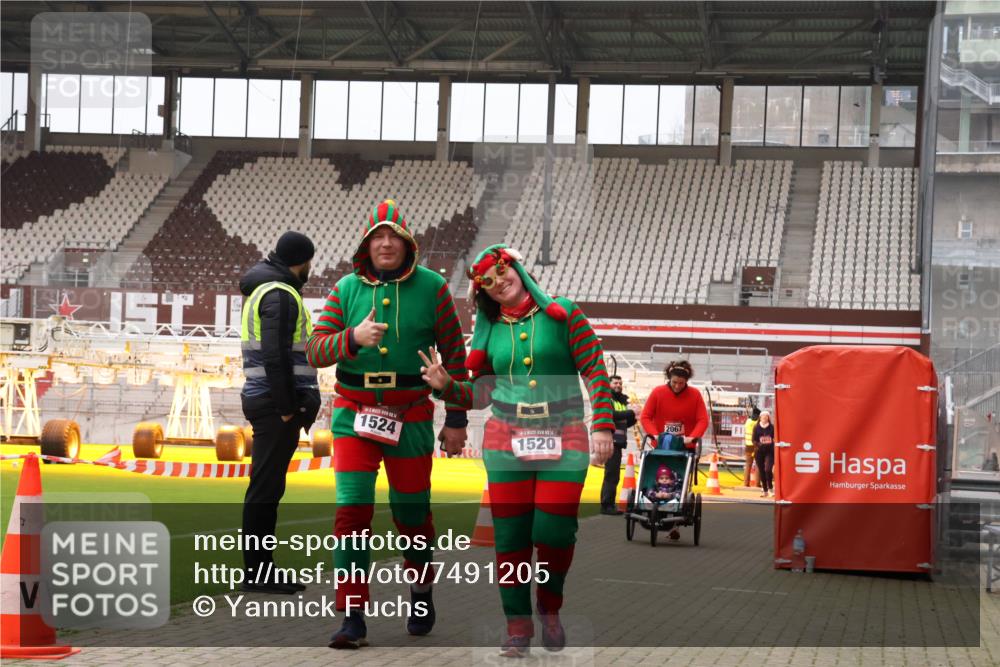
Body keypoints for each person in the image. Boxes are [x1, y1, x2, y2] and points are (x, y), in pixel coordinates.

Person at [418, 243, 613, 658]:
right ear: (482, 291)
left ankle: (550, 605)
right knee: (511, 538)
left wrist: (603, 425)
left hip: (565, 436)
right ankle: (517, 627)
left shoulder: (564, 313)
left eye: (502, 271)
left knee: (554, 532)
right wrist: (447, 386)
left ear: (518, 269)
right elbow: (481, 394)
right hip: (506, 440)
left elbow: (595, 370)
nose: (498, 282)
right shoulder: (489, 330)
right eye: (487, 281)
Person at [305, 199, 469, 649]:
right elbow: (315, 350)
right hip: (352, 413)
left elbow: (455, 355)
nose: (385, 244)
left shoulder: (433, 288)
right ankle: (352, 615)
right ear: (366, 244)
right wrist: (352, 338)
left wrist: (456, 417)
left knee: (412, 514)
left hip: (411, 413)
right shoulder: (345, 289)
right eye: (377, 236)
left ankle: (421, 593)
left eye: (393, 236)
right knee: (351, 512)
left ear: (408, 244)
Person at [239, 231, 321, 594]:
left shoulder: (263, 289)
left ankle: (261, 570)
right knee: (266, 489)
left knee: (267, 487)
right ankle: (258, 573)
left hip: (266, 399)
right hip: (275, 404)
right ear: (302, 261)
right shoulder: (281, 294)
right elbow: (276, 355)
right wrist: (288, 407)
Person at [639, 359, 708, 539]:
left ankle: (674, 524)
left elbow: (703, 420)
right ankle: (650, 504)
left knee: (681, 482)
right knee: (656, 476)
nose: (677, 386)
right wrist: (654, 434)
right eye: (674, 382)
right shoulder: (658, 392)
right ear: (669, 378)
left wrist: (692, 437)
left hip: (684, 447)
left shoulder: (695, 395)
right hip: (661, 446)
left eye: (681, 383)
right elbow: (645, 416)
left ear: (686, 381)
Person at [600, 374, 638, 515]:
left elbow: (624, 423)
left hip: (618, 441)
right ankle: (607, 506)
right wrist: (630, 412)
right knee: (611, 474)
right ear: (609, 384)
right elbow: (611, 415)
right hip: (609, 441)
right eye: (615, 383)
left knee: (613, 474)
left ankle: (608, 504)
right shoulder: (606, 399)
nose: (618, 385)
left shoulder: (622, 401)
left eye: (620, 383)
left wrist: (634, 417)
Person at [753, 410, 776, 498]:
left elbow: (775, 438)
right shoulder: (756, 427)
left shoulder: (772, 427)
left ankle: (770, 488)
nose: (765, 418)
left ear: (768, 418)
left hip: (769, 452)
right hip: (759, 452)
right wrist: (759, 444)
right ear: (760, 417)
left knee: (768, 469)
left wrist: (771, 442)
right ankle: (765, 490)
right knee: (761, 471)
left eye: (766, 416)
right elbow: (753, 439)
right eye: (763, 416)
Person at [744, 406, 760, 489]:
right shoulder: (757, 423)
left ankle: (746, 483)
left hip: (748, 446)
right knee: (758, 464)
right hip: (756, 446)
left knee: (748, 464)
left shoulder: (747, 422)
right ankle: (757, 483)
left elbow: (751, 419)